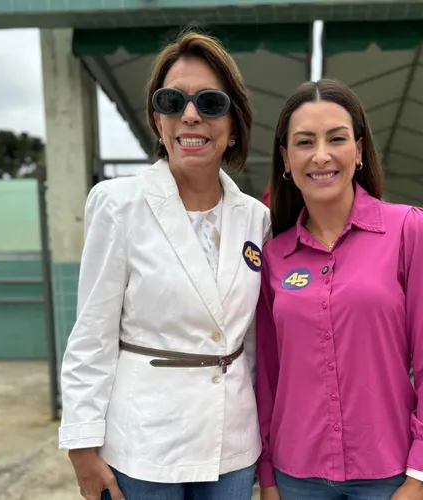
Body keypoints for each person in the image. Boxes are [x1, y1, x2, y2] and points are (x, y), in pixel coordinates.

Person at [58, 30, 270, 500]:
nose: (190, 114)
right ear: (158, 119)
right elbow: (91, 335)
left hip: (231, 441)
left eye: (210, 103)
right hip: (144, 440)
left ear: (233, 124)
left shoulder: (256, 218)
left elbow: (252, 340)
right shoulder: (118, 205)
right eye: (172, 100)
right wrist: (82, 447)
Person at [255, 79, 423, 500]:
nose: (321, 155)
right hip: (296, 476)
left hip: (389, 477)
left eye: (336, 138)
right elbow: (268, 375)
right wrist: (268, 476)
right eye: (304, 142)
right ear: (285, 158)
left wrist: (422, 474)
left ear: (358, 149)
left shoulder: (413, 232)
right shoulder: (273, 257)